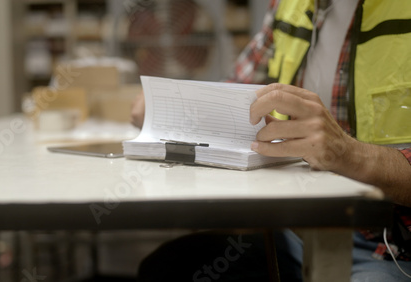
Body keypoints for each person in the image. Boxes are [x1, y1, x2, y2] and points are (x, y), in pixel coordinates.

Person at [131, 0, 411, 281]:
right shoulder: (291, 5)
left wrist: (351, 154)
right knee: (168, 269)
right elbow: (234, 96)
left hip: (393, 248)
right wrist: (175, 109)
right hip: (298, 229)